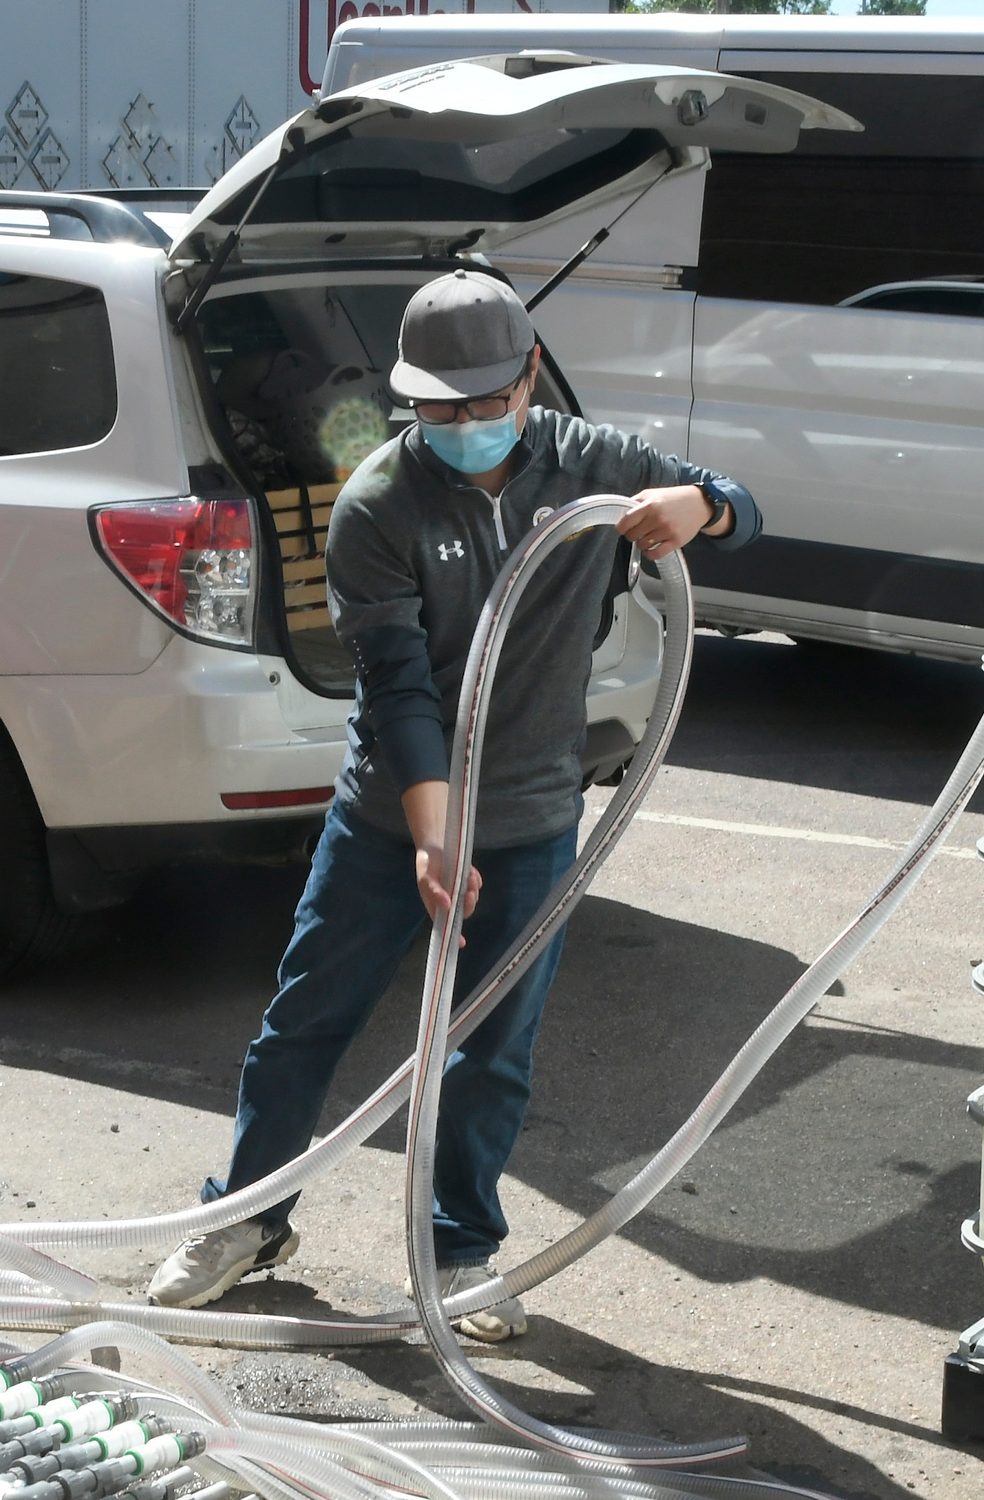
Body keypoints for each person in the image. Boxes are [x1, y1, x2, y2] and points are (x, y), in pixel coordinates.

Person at [148, 269, 761, 1340]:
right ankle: (247, 1219)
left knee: (492, 1048)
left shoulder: (592, 468)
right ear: (408, 398)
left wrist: (699, 506)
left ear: (528, 376)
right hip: (390, 817)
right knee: (306, 1024)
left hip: (531, 819)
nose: (467, 426)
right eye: (440, 408)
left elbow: (741, 508)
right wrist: (433, 835)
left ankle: (463, 1250)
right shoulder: (379, 503)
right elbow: (398, 688)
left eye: (485, 403)